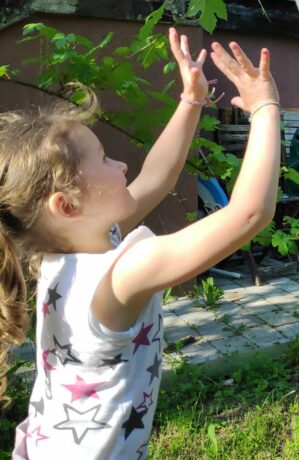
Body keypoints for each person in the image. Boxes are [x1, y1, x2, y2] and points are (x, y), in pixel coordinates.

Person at [2, 28, 281, 458]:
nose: (122, 163)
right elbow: (249, 214)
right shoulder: (122, 275)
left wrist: (192, 99)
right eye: (105, 159)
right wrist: (265, 108)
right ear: (68, 206)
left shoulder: (68, 248)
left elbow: (156, 177)